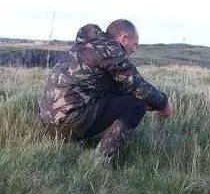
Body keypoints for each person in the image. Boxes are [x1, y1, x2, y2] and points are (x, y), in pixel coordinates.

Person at [39, 19, 173, 158]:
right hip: (67, 124)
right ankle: (101, 160)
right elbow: (139, 87)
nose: (134, 49)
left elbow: (119, 86)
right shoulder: (110, 50)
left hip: (48, 123)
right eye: (135, 44)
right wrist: (164, 104)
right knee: (137, 103)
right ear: (124, 38)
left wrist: (150, 101)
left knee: (133, 97)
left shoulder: (88, 45)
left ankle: (72, 139)